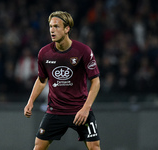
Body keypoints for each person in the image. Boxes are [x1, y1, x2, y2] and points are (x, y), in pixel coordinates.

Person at [24, 11, 101, 150]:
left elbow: (96, 82)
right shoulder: (44, 53)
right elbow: (42, 80)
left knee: (94, 147)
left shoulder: (83, 51)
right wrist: (30, 101)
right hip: (55, 110)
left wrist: (86, 109)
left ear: (67, 29)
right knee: (38, 146)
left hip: (80, 110)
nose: (52, 30)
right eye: (50, 26)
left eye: (57, 26)